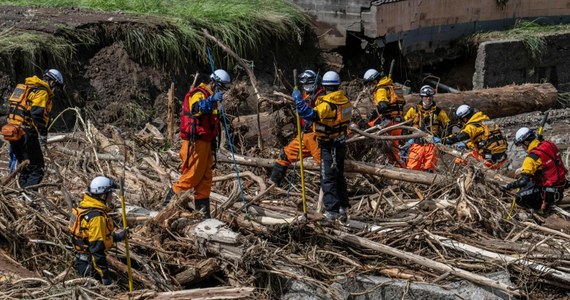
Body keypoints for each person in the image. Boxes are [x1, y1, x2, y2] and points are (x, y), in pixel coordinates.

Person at [162, 69, 230, 218]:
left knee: (206, 178)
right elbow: (196, 109)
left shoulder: (212, 98)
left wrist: (213, 149)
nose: (223, 92)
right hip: (195, 143)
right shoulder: (198, 94)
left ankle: (203, 214)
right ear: (214, 83)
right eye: (222, 87)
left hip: (206, 143)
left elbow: (211, 126)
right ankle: (166, 207)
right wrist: (211, 100)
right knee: (191, 176)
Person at [294, 71, 352, 221]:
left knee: (327, 178)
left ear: (325, 86)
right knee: (339, 176)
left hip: (329, 145)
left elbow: (307, 114)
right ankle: (343, 208)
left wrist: (298, 100)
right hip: (340, 143)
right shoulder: (345, 101)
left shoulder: (326, 105)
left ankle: (332, 211)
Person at [4, 69, 63, 188]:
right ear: (52, 82)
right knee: (37, 168)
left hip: (13, 131)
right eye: (55, 86)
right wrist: (43, 133)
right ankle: (30, 196)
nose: (54, 89)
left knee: (25, 167)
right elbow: (36, 113)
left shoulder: (25, 88)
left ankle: (21, 197)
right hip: (27, 133)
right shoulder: (42, 92)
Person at [69, 176, 128, 285]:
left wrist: (118, 237)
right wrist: (104, 275)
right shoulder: (97, 217)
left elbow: (92, 237)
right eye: (110, 194)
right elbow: (97, 250)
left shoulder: (84, 208)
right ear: (103, 195)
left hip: (81, 262)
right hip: (91, 267)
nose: (111, 198)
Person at [269, 70, 323, 185]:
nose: (306, 87)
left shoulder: (321, 96)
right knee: (284, 155)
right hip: (304, 135)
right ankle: (272, 185)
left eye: (308, 84)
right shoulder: (305, 94)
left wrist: (299, 100)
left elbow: (309, 112)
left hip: (316, 137)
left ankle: (334, 194)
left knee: (325, 165)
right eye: (304, 84)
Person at [501, 127, 568, 211]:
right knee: (531, 182)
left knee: (520, 198)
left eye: (522, 145)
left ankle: (541, 210)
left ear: (525, 142)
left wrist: (508, 186)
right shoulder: (550, 144)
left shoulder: (531, 158)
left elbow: (523, 182)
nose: (522, 147)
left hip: (547, 196)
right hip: (559, 189)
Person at [362, 68, 406, 166]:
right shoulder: (393, 87)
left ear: (374, 81)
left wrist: (372, 115)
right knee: (393, 150)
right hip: (398, 123)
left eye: (370, 84)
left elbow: (383, 106)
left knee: (366, 128)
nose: (369, 87)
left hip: (388, 122)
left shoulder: (381, 89)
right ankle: (398, 168)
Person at [442, 104, 508, 169]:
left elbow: (460, 136)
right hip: (501, 157)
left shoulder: (471, 126)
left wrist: (444, 140)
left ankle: (472, 177)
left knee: (459, 160)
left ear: (464, 119)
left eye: (460, 120)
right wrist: (467, 145)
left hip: (488, 159)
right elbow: (486, 139)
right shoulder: (487, 121)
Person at [402, 85, 450, 172]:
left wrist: (444, 141)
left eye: (430, 96)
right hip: (417, 143)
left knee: (429, 169)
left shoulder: (439, 112)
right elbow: (404, 124)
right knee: (412, 167)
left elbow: (447, 126)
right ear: (421, 97)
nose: (428, 98)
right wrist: (405, 138)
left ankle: (427, 184)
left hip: (432, 143)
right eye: (426, 96)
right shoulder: (414, 110)